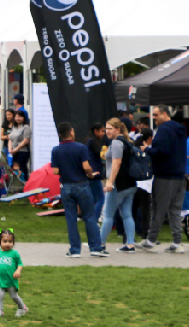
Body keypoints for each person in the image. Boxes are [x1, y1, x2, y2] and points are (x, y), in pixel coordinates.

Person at [51, 122, 106, 257]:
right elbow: (86, 166)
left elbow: (55, 171)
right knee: (89, 216)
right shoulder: (81, 148)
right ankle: (95, 248)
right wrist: (90, 174)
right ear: (71, 133)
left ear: (60, 135)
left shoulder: (56, 150)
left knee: (71, 218)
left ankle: (75, 250)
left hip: (66, 186)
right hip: (82, 184)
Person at [141, 105, 186, 252]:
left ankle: (151, 240)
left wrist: (147, 149)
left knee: (158, 208)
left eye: (156, 115)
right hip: (180, 175)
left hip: (164, 175)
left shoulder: (163, 130)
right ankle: (177, 241)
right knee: (175, 209)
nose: (154, 118)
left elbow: (161, 151)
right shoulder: (180, 129)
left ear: (165, 114)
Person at [99, 119, 138, 253]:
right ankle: (131, 244)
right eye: (106, 128)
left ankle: (100, 244)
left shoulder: (116, 143)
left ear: (118, 129)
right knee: (127, 214)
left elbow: (117, 163)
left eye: (110, 128)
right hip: (131, 183)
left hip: (117, 184)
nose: (107, 131)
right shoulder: (127, 142)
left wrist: (110, 182)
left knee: (108, 215)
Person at [0, 229, 27, 317]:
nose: (8, 244)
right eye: (5, 241)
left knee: (14, 296)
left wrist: (18, 271)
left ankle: (22, 308)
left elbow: (20, 264)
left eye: (10, 241)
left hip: (11, 279)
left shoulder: (14, 253)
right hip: (0, 280)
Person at [7, 111, 31, 181]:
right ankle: (16, 185)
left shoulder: (25, 127)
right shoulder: (14, 127)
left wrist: (16, 149)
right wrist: (10, 150)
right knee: (14, 168)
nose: (18, 118)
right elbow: (10, 139)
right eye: (16, 117)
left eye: (20, 117)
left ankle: (24, 185)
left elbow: (26, 141)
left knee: (22, 169)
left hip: (22, 151)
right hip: (14, 151)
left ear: (24, 118)